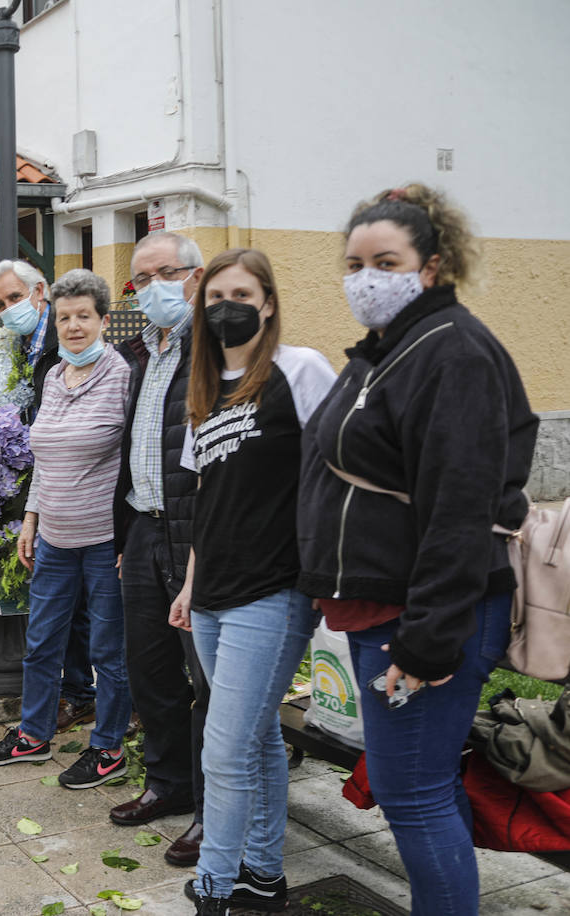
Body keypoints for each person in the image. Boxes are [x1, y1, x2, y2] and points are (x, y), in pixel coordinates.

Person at [296, 184, 537, 916]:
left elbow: (460, 510)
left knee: (413, 794)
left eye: (386, 262)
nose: (365, 278)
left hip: (419, 619)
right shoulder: (389, 350)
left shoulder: (453, 351)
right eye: (354, 264)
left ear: (431, 266)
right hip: (383, 610)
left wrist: (428, 642)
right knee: (421, 789)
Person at [169, 249, 335, 913]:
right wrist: (190, 585)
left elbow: (339, 468)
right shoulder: (203, 385)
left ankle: (214, 884)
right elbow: (208, 496)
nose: (226, 308)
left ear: (267, 303)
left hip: (273, 590)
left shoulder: (301, 369)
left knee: (224, 748)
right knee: (257, 737)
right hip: (213, 590)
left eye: (241, 295)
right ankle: (264, 875)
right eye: (214, 298)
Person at [0, 269, 135, 789]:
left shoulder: (121, 375)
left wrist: (131, 536)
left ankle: (108, 747)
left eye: (84, 316)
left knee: (108, 651)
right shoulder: (53, 376)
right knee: (42, 642)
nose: (73, 326)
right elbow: (43, 461)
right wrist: (31, 519)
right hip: (54, 540)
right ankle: (33, 735)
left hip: (105, 540)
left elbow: (136, 459)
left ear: (103, 320)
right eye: (65, 317)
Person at [110, 230, 210, 867]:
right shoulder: (138, 352)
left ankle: (213, 807)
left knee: (207, 678)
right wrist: (127, 535)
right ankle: (168, 782)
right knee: (149, 667)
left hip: (195, 532)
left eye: (164, 275)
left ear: (195, 277)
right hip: (143, 527)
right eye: (141, 280)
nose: (152, 289)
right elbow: (131, 447)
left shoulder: (216, 347)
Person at [0, 258, 96, 733]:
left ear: (39, 291)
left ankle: (88, 698)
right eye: (0, 305)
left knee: (83, 612)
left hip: (80, 493)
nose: (9, 309)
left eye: (15, 297)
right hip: (43, 490)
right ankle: (68, 700)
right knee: (57, 612)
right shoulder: (19, 345)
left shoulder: (64, 342)